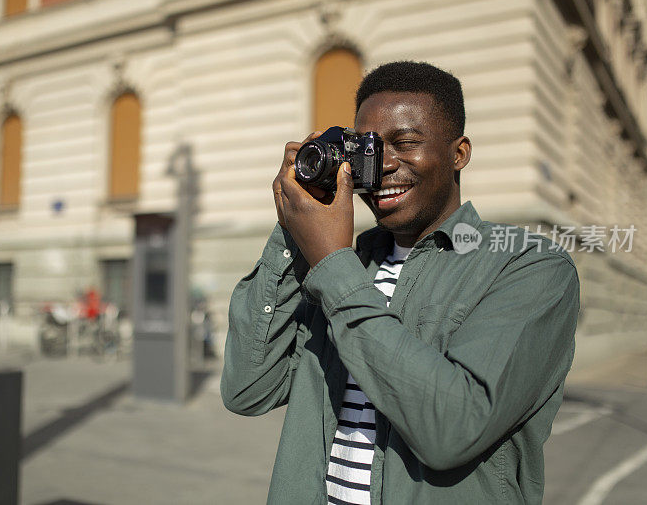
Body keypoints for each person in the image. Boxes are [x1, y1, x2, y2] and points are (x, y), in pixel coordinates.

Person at [221, 61, 579, 504]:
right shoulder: (346, 265)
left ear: (459, 153)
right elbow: (247, 389)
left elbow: (453, 429)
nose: (384, 166)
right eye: (368, 149)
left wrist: (332, 265)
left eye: (406, 144)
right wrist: (294, 228)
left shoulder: (529, 267)